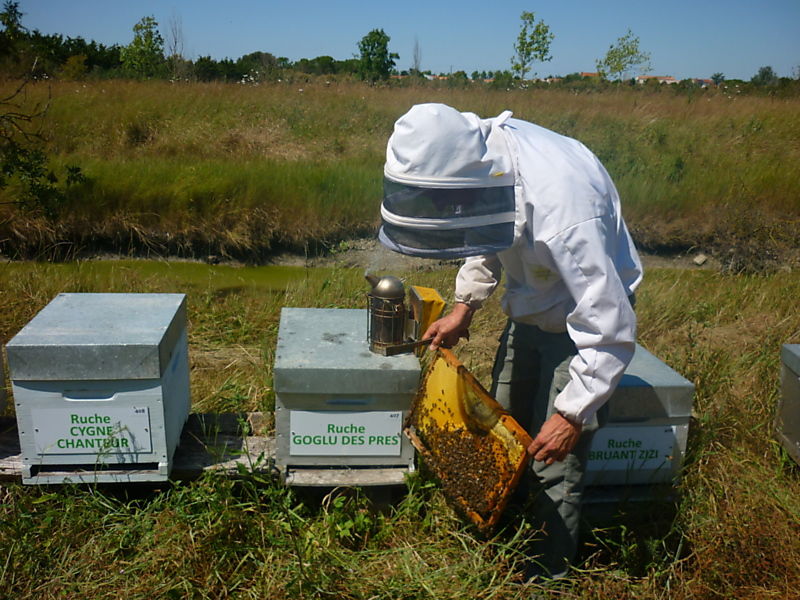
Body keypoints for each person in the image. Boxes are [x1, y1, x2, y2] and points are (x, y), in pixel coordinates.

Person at [378, 103, 643, 580]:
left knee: (552, 463)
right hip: (530, 312)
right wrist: (464, 307)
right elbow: (486, 228)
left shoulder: (565, 206)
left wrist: (571, 413)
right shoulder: (487, 167)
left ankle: (548, 577)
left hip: (583, 331)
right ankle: (503, 536)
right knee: (498, 423)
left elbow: (610, 326)